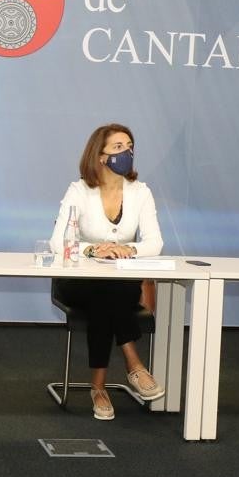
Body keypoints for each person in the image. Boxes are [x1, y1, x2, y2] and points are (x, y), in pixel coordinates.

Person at [50, 123, 165, 420]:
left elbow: (155, 242)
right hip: (78, 281)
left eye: (129, 146)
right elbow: (57, 242)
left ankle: (99, 389)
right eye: (118, 147)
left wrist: (130, 249)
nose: (126, 152)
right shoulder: (79, 190)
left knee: (109, 294)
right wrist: (93, 249)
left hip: (118, 283)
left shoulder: (140, 192)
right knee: (105, 291)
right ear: (100, 156)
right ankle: (133, 364)